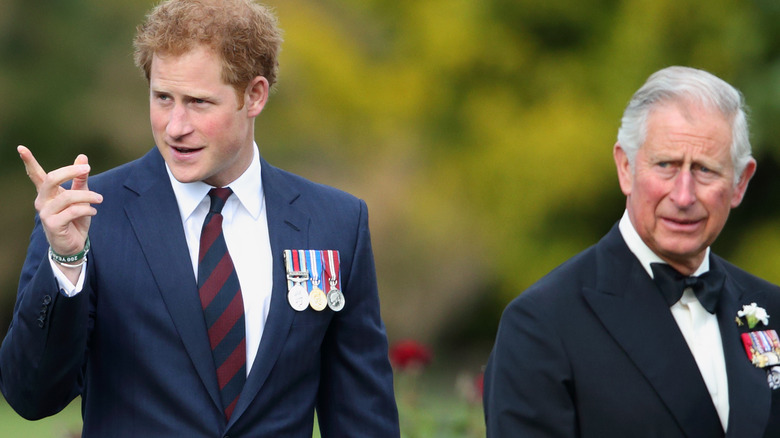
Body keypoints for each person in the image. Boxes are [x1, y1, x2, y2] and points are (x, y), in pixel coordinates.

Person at [0, 0, 400, 436]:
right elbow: (30, 397)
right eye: (163, 98)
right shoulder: (87, 213)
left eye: (198, 102)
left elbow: (364, 419)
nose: (175, 126)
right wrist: (65, 262)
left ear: (254, 96)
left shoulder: (336, 223)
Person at [483, 66, 780, 437]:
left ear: (740, 183)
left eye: (704, 170)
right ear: (626, 167)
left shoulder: (774, 309)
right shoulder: (542, 325)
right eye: (666, 165)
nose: (683, 195)